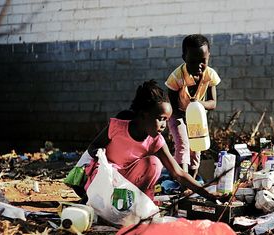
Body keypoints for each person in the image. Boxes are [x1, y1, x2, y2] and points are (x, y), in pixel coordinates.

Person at [84, 80, 220, 202]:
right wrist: (100, 155)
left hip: (127, 185)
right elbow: (93, 146)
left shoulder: (156, 141)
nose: (164, 125)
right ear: (144, 115)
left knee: (154, 163)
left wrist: (208, 195)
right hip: (106, 179)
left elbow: (178, 173)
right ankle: (102, 205)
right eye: (161, 118)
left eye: (166, 120)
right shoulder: (117, 127)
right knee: (100, 172)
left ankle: (137, 204)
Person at [165, 34, 221, 179]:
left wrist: (198, 104)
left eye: (203, 61)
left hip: (196, 118)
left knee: (196, 147)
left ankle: (192, 180)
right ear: (184, 58)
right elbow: (172, 105)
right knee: (184, 144)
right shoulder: (177, 77)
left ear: (208, 56)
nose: (198, 66)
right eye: (193, 61)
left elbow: (213, 103)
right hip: (177, 115)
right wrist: (183, 120)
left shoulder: (209, 75)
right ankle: (182, 179)